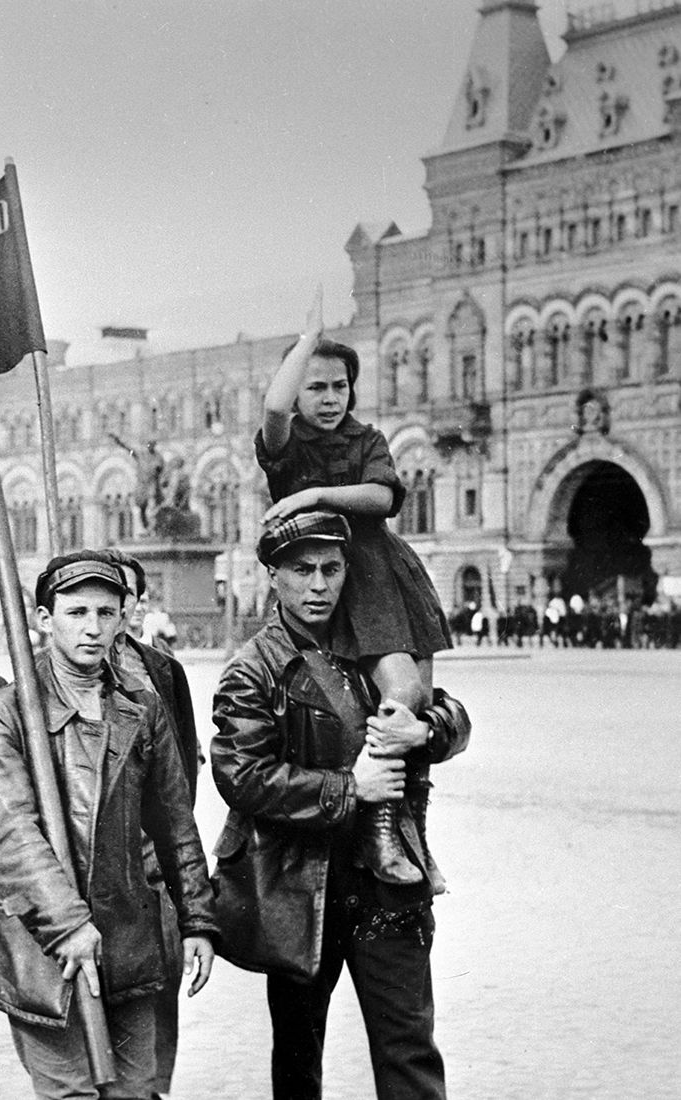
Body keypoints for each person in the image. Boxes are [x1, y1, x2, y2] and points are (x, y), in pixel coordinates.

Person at [210, 512, 471, 1100]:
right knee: (300, 1062)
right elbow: (243, 776)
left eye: (331, 568)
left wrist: (424, 733)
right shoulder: (254, 670)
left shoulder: (375, 646)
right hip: (300, 891)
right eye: (302, 570)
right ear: (273, 576)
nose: (319, 585)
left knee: (410, 1054)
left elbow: (452, 714)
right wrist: (352, 790)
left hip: (388, 884)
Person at [0, 554, 216, 1099]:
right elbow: (8, 836)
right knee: (71, 1094)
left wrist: (197, 918)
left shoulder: (141, 706)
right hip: (43, 946)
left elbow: (174, 819)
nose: (92, 627)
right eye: (76, 611)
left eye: (106, 612)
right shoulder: (9, 712)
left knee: (134, 1093)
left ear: (124, 616)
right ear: (42, 618)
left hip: (127, 939)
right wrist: (67, 925)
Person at [257, 289, 451, 887]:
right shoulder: (289, 445)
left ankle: (404, 830)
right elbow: (271, 405)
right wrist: (309, 340)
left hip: (380, 575)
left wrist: (313, 495)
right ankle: (381, 827)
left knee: (413, 697)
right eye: (316, 386)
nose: (329, 397)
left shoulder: (367, 440)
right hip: (329, 577)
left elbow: (385, 497)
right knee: (378, 699)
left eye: (339, 386)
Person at [87, 548, 201, 1099]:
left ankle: (153, 1087)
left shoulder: (163, 672)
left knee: (159, 989)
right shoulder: (51, 677)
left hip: (153, 867)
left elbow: (182, 775)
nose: (112, 614)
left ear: (134, 605)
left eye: (123, 599)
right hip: (89, 869)